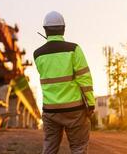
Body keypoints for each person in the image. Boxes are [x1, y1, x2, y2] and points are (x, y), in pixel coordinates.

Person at [33, 11, 95, 154]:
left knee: (49, 149)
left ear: (45, 30)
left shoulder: (38, 54)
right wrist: (90, 103)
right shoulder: (74, 49)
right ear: (64, 29)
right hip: (74, 109)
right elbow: (84, 78)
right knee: (78, 148)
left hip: (50, 111)